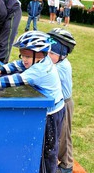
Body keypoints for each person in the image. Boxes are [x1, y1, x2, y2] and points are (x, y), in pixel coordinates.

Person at [0, 31, 65, 173]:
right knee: (41, 146)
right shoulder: (37, 60)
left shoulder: (40, 70)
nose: (24, 59)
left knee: (49, 149)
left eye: (27, 56)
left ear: (40, 54)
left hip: (52, 113)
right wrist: (1, 69)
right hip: (47, 109)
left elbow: (15, 80)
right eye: (22, 54)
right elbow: (18, 65)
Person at [47, 28, 76, 173]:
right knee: (57, 135)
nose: (48, 55)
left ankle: (67, 165)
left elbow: (45, 75)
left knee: (64, 136)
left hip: (65, 104)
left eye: (51, 53)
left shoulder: (61, 67)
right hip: (58, 103)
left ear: (63, 55)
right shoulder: (56, 63)